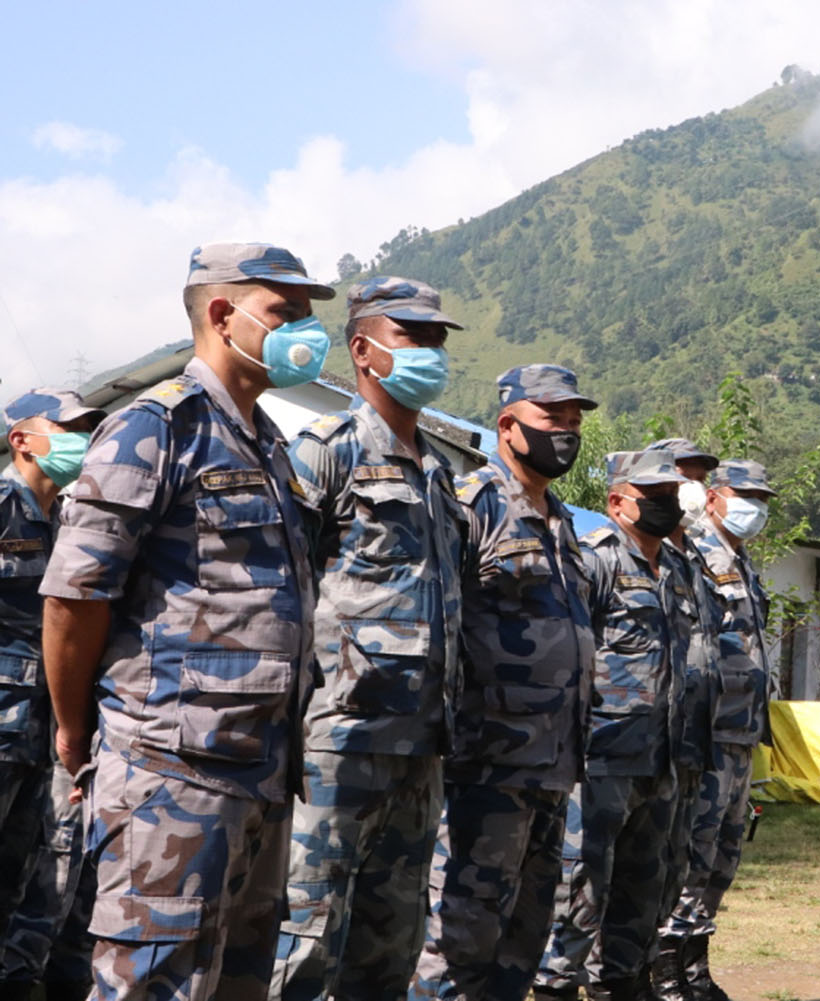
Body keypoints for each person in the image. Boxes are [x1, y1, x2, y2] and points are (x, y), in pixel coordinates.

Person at [41, 243, 330, 1000]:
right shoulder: (154, 426)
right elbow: (76, 597)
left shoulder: (270, 445)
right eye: (285, 313)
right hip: (169, 772)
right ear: (221, 313)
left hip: (259, 771)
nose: (305, 331)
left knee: (236, 981)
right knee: (152, 982)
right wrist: (75, 729)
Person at [270, 277, 465, 1000]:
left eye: (439, 340)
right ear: (365, 349)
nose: (433, 353)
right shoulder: (326, 449)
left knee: (393, 937)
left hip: (420, 746)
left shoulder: (441, 474)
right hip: (336, 743)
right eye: (416, 338)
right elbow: (278, 592)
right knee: (307, 936)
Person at [411, 364, 596, 1001]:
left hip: (552, 761)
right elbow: (437, 619)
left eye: (574, 423)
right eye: (552, 420)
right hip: (487, 761)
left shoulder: (563, 519)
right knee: (464, 926)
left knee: (526, 929)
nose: (566, 434)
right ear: (508, 425)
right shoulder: (475, 504)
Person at [534, 450, 689, 1001]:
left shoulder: (674, 570)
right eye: (654, 496)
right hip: (601, 758)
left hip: (660, 758)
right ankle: (554, 985)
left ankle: (620, 983)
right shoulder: (597, 559)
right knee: (582, 887)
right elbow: (570, 651)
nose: (666, 505)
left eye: (671, 495)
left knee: (645, 888)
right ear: (618, 503)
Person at [0, 389, 103, 1001]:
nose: (81, 441)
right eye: (67, 429)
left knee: (19, 885)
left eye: (87, 430)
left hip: (41, 740)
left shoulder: (75, 517)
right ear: (22, 440)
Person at [662, 458, 776, 1001]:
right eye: (745, 493)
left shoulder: (742, 561)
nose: (756, 506)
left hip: (742, 734)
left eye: (763, 497)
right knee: (692, 852)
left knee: (724, 856)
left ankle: (695, 965)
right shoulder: (695, 554)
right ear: (712, 497)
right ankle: (664, 971)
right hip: (706, 733)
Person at [642, 438, 723, 1001]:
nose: (689, 488)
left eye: (697, 477)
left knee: (684, 863)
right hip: (639, 740)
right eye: (679, 477)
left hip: (697, 735)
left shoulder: (695, 559)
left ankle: (679, 968)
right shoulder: (622, 550)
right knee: (630, 871)